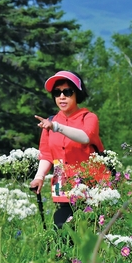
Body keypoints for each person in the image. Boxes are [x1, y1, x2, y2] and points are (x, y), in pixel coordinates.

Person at [30, 71, 110, 228]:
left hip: (92, 185)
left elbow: (85, 137)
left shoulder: (88, 117)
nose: (61, 97)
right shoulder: (50, 122)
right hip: (63, 185)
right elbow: (46, 155)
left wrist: (56, 127)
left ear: (77, 94)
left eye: (67, 92)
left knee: (91, 229)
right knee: (62, 227)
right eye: (57, 92)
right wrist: (39, 177)